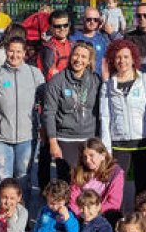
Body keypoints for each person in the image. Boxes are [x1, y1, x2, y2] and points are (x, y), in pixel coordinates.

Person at [0, 37, 45, 196]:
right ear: (5, 52)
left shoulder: (34, 73)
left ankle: (22, 218)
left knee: (23, 178)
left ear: (24, 53)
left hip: (27, 137)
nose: (14, 55)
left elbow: (46, 100)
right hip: (0, 137)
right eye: (11, 51)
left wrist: (43, 125)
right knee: (2, 180)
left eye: (18, 52)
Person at [99, 39, 146, 195]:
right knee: (116, 189)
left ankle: (143, 219)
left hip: (145, 143)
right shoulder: (107, 86)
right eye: (118, 57)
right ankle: (117, 218)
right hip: (119, 144)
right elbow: (105, 118)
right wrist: (106, 149)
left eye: (126, 57)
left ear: (134, 59)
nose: (122, 61)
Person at [42, 42, 102, 183]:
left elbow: (100, 110)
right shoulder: (57, 82)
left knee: (89, 182)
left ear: (88, 61)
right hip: (65, 139)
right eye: (76, 55)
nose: (78, 59)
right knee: (68, 180)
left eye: (83, 57)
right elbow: (49, 112)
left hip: (88, 138)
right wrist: (53, 142)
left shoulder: (95, 81)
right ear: (70, 57)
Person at [72, 7, 111, 78]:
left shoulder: (103, 39)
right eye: (89, 19)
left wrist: (105, 83)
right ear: (83, 20)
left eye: (96, 20)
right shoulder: (73, 37)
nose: (92, 22)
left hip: (97, 81)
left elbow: (104, 64)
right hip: (76, 80)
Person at [37, 10, 73, 80]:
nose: (62, 29)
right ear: (50, 28)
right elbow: (51, 74)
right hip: (56, 87)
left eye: (65, 25)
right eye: (57, 26)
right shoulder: (48, 48)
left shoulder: (73, 45)